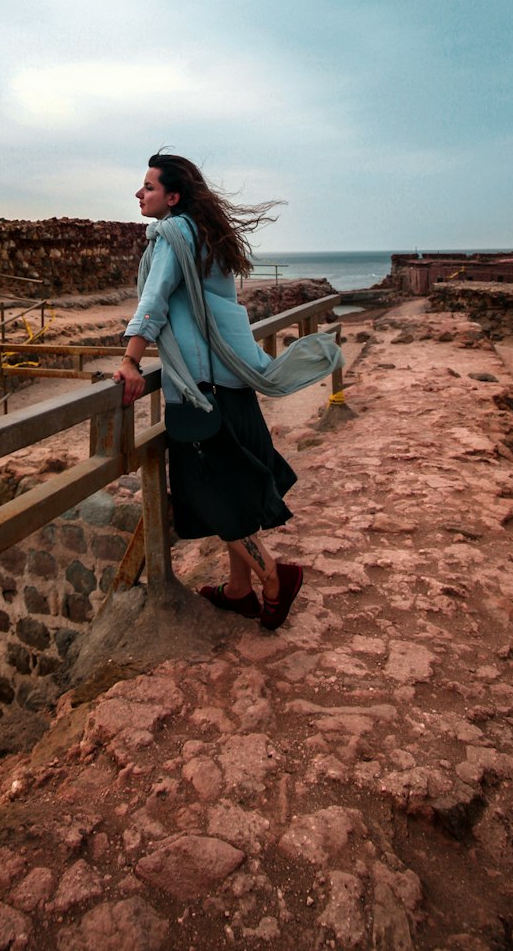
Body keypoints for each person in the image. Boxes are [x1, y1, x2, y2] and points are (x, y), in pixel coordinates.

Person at [114, 152, 342, 631]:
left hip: (201, 388)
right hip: (231, 379)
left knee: (206, 495)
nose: (139, 194)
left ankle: (276, 578)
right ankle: (239, 592)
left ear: (172, 197)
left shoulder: (172, 235)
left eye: (149, 187)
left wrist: (131, 359)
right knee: (234, 490)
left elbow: (153, 302)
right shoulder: (204, 235)